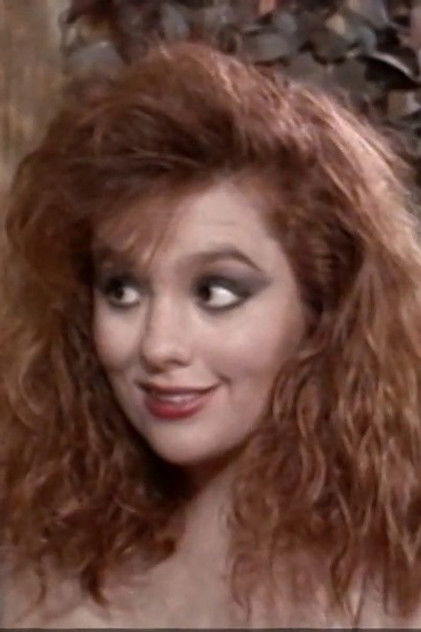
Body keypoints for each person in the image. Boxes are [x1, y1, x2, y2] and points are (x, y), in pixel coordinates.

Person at [1, 41, 421, 628]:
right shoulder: (33, 575)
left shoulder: (388, 601)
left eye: (216, 292)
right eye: (123, 290)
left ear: (321, 309)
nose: (158, 345)